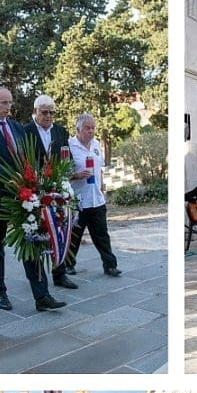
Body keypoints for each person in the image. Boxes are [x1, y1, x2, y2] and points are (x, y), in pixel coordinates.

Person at [0, 85, 66, 312]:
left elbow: (28, 158)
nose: (8, 107)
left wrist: (34, 178)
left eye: (10, 103)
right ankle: (0, 292)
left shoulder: (16, 127)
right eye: (4, 103)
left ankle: (41, 295)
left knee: (32, 241)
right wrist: (12, 176)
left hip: (24, 196)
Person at [22, 94, 77, 291]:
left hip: (56, 189)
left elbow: (67, 157)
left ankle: (60, 273)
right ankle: (38, 277)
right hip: (34, 189)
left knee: (59, 228)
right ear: (35, 112)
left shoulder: (61, 131)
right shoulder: (25, 131)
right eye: (44, 112)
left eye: (51, 112)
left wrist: (65, 175)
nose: (48, 116)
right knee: (38, 231)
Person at [66, 113, 121, 280]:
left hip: (96, 199)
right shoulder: (69, 146)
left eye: (93, 128)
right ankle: (68, 264)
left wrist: (102, 187)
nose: (91, 131)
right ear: (78, 129)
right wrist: (75, 175)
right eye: (87, 128)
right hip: (78, 200)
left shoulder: (96, 144)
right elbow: (62, 173)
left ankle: (110, 265)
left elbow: (100, 169)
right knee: (74, 235)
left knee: (102, 235)